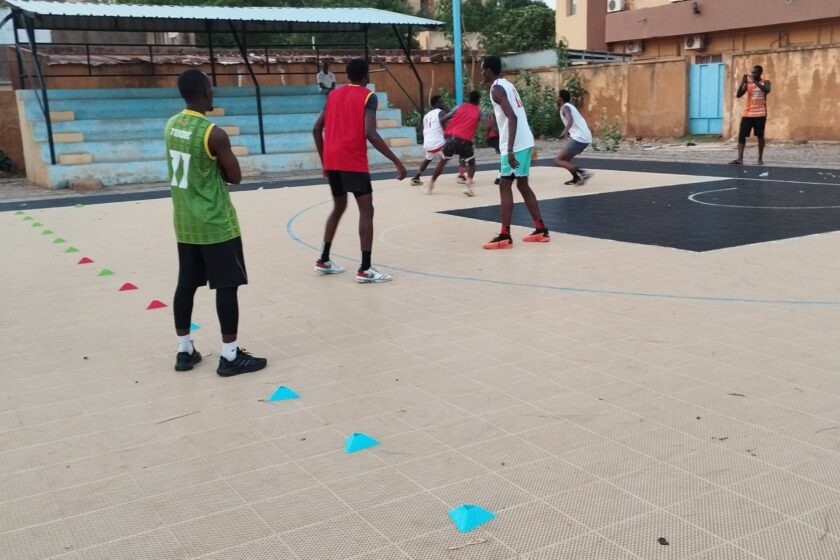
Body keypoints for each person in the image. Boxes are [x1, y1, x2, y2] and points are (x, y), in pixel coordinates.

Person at [165, 69, 267, 377]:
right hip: (215, 222)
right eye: (211, 89)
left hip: (185, 221)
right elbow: (234, 176)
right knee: (226, 286)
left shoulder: (171, 125)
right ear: (205, 93)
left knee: (186, 284)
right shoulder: (214, 133)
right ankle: (230, 355)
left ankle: (184, 350)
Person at [312, 58, 407, 283]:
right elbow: (370, 133)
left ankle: (323, 259)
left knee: (339, 207)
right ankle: (365, 268)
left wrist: (325, 160)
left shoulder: (332, 94)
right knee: (367, 211)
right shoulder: (367, 96)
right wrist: (397, 161)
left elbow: (316, 129)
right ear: (367, 77)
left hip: (333, 160)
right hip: (352, 161)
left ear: (347, 75)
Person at [480, 56, 549, 249]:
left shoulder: (496, 88)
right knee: (522, 185)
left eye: (481, 69)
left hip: (515, 144)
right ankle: (541, 229)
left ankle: (504, 235)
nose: (480, 73)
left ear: (487, 70)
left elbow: (512, 117)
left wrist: (509, 149)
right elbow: (510, 113)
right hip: (525, 140)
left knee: (504, 184)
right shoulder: (507, 85)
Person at [426, 90, 482, 197]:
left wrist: (448, 132)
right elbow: (486, 122)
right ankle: (467, 186)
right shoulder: (478, 111)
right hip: (465, 139)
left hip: (452, 137)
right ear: (478, 100)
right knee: (471, 163)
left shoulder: (459, 107)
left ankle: (431, 184)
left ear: (468, 98)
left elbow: (443, 119)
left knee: (442, 162)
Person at [731, 65, 771, 165]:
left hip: (760, 114)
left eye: (755, 72)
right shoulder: (748, 84)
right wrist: (743, 83)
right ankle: (740, 159)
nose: (753, 74)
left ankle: (760, 159)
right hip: (747, 114)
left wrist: (755, 82)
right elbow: (739, 95)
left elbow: (767, 90)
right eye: (752, 72)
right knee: (742, 135)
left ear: (760, 73)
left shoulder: (766, 82)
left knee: (760, 136)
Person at [554, 89, 593, 185]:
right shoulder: (570, 106)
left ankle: (582, 173)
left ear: (560, 98)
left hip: (580, 138)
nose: (556, 99)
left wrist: (565, 131)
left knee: (558, 160)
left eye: (557, 97)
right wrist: (568, 133)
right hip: (584, 137)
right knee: (566, 160)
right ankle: (576, 178)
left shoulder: (565, 107)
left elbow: (570, 120)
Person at [410, 95, 448, 187]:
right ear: (437, 103)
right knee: (448, 156)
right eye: (442, 102)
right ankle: (461, 175)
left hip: (427, 144)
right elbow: (446, 129)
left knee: (428, 159)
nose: (443, 103)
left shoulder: (427, 116)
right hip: (438, 143)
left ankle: (416, 178)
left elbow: (424, 129)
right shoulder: (441, 112)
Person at [484, 111, 502, 185]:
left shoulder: (494, 112)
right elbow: (493, 126)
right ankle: (499, 176)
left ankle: (512, 173)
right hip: (495, 137)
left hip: (493, 138)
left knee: (507, 154)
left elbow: (488, 126)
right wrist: (501, 136)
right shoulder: (494, 112)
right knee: (507, 154)